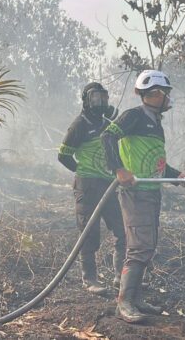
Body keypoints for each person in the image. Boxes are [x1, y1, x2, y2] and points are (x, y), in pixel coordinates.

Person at [101, 70, 185, 323]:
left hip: (152, 193)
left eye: (166, 94)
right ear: (151, 94)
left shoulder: (156, 124)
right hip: (135, 194)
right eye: (163, 93)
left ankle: (136, 298)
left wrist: (179, 177)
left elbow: (157, 165)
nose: (166, 98)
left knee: (148, 247)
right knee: (139, 247)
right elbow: (107, 136)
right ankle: (124, 304)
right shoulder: (133, 117)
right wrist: (119, 169)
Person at [58, 82, 126, 294]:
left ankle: (120, 276)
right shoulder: (79, 124)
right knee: (89, 233)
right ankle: (90, 280)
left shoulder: (108, 123)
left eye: (104, 97)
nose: (101, 102)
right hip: (87, 186)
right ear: (87, 100)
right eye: (96, 97)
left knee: (122, 230)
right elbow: (63, 155)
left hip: (109, 184)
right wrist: (83, 171)